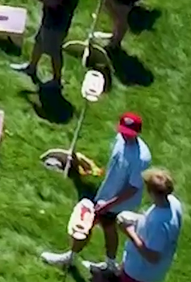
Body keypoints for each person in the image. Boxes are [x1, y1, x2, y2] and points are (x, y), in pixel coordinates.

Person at [47, 113, 150, 269]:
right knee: (108, 227)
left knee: (87, 222)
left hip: (119, 201)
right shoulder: (120, 139)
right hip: (106, 194)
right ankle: (109, 264)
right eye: (123, 131)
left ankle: (71, 257)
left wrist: (109, 204)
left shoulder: (141, 158)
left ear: (137, 133)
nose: (125, 135)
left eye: (129, 133)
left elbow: (133, 188)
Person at [118, 168, 183, 282]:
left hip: (140, 272)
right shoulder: (173, 204)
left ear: (151, 191)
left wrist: (129, 232)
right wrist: (137, 219)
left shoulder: (158, 223)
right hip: (148, 271)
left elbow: (153, 256)